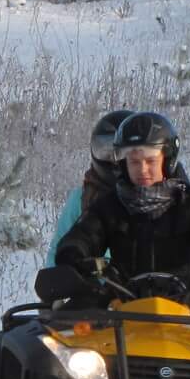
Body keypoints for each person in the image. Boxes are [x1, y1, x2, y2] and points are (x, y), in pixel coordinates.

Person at [54, 112, 190, 286]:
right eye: (134, 162)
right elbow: (85, 235)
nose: (142, 170)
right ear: (123, 165)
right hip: (123, 307)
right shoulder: (111, 205)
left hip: (184, 308)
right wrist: (73, 254)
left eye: (150, 161)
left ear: (167, 161)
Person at [47, 108, 134, 265]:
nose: (114, 160)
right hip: (95, 279)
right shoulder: (82, 197)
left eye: (122, 153)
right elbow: (58, 249)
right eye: (107, 151)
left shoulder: (154, 196)